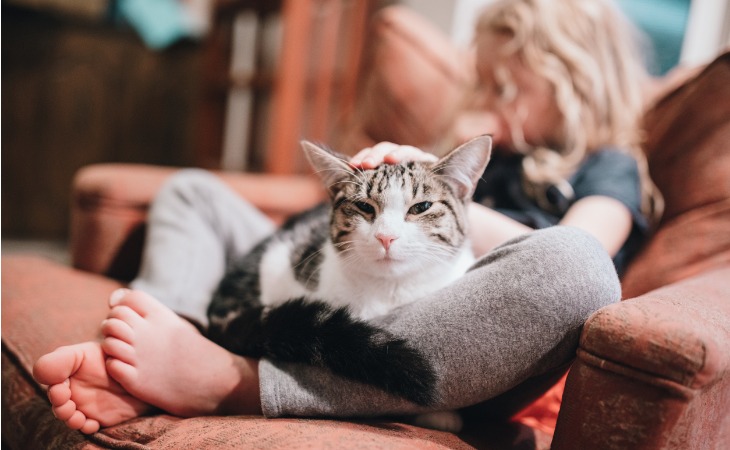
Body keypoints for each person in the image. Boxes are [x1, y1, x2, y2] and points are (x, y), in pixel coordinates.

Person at [32, 0, 658, 435]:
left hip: (460, 328)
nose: (489, 101)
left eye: (507, 86)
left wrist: (450, 196)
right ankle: (161, 332)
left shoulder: (608, 166)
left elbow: (589, 248)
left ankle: (239, 381)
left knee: (574, 267)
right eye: (484, 83)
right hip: (345, 267)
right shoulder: (474, 147)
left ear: (577, 78)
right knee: (191, 190)